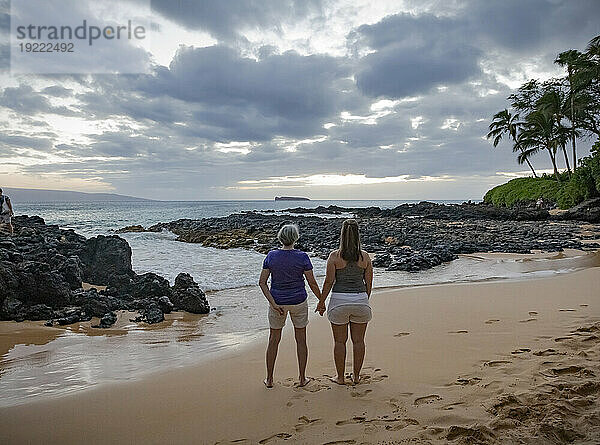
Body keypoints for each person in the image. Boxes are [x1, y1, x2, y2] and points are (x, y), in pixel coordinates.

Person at [259, 223, 322, 388]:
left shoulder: (271, 256)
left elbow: (262, 283)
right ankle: (302, 378)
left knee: (273, 340)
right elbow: (312, 283)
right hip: (298, 301)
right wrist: (321, 300)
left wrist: (272, 303)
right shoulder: (302, 257)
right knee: (301, 340)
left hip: (277, 302)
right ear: (295, 238)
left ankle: (270, 379)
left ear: (281, 238)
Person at [316, 219, 373, 385]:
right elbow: (368, 283)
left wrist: (321, 302)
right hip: (361, 301)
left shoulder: (334, 256)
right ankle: (356, 376)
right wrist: (363, 299)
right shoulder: (365, 257)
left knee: (340, 342)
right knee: (359, 341)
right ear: (358, 236)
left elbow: (328, 282)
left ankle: (340, 377)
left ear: (341, 235)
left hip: (339, 302)